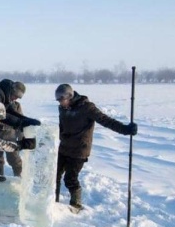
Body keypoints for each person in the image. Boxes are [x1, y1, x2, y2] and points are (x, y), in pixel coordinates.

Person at [55, 84, 138, 212]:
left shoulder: (87, 107)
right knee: (54, 175)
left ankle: (76, 205)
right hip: (64, 147)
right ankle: (53, 202)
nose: (60, 103)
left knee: (70, 179)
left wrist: (125, 130)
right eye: (58, 100)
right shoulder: (62, 108)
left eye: (61, 99)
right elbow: (62, 126)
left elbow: (106, 120)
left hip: (79, 150)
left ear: (70, 97)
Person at [0, 99, 25, 181]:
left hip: (10, 135)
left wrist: (21, 136)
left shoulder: (16, 105)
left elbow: (20, 121)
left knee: (14, 159)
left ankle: (19, 177)